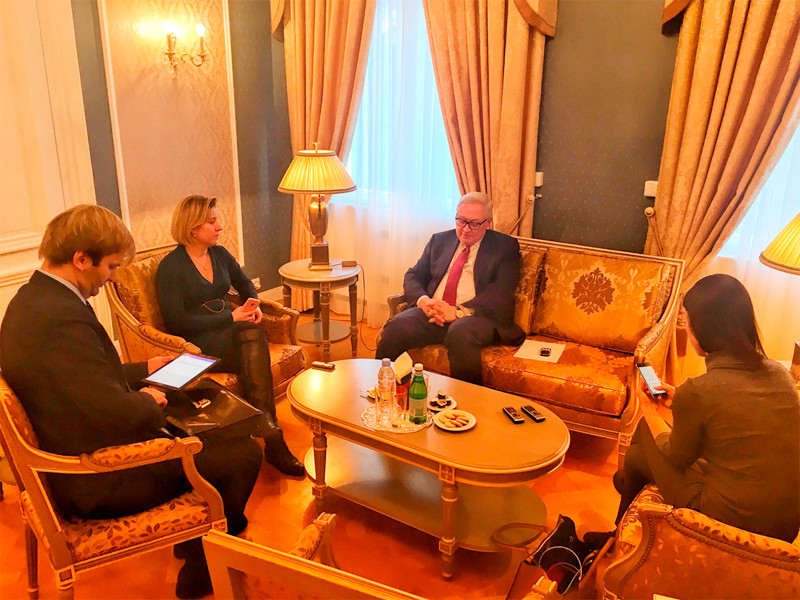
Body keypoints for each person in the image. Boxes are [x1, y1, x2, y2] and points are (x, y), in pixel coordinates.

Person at [0, 205, 262, 599]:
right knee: (242, 453)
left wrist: (145, 368)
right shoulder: (60, 319)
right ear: (81, 259)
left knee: (206, 423)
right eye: (110, 267)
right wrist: (147, 400)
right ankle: (202, 567)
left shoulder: (33, 300)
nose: (112, 277)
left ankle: (200, 537)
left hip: (76, 445)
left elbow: (79, 378)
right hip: (95, 477)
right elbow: (109, 411)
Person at [587, 274, 800, 548]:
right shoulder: (779, 373)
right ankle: (621, 523)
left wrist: (649, 410)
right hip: (784, 526)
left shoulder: (699, 390)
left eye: (687, 321)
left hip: (728, 519)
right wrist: (679, 399)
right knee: (638, 458)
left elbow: (677, 458)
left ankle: (626, 492)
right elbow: (737, 413)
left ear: (702, 330)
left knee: (646, 430)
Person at [155, 195, 304, 476]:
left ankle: (268, 430)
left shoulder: (220, 254)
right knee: (251, 338)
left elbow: (245, 284)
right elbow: (177, 322)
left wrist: (253, 305)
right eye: (212, 222)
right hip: (199, 343)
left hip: (232, 333)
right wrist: (230, 317)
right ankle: (272, 437)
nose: (219, 227)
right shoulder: (171, 268)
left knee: (250, 334)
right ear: (192, 228)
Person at [376, 192, 525, 384]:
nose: (466, 229)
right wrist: (424, 301)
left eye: (474, 223)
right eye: (461, 221)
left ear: (488, 222)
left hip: (476, 317)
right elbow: (413, 275)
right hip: (434, 312)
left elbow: (500, 292)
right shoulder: (439, 240)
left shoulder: (504, 247)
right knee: (396, 326)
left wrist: (458, 311)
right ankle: (385, 389)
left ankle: (466, 400)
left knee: (460, 332)